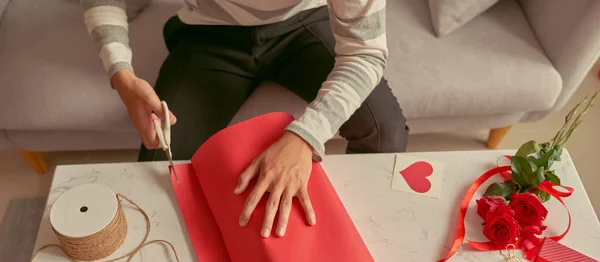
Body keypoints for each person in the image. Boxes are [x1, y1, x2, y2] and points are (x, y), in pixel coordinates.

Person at [82, 0, 409, 238]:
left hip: (305, 23)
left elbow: (364, 53)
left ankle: (352, 238)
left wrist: (306, 135)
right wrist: (122, 76)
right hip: (208, 33)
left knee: (385, 131)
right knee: (159, 169)